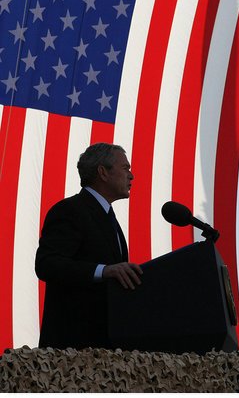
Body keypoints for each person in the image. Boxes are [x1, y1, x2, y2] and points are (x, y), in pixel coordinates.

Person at [35, 142, 143, 350]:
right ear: (103, 172)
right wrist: (104, 271)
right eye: (125, 168)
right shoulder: (70, 210)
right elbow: (47, 264)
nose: (131, 176)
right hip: (71, 353)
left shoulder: (108, 217)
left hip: (108, 350)